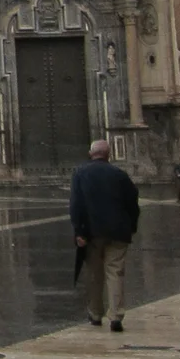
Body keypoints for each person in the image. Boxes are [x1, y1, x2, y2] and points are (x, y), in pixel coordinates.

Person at [71, 139, 141, 332]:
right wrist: (131, 226)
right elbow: (133, 202)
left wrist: (79, 231)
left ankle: (95, 313)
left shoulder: (80, 174)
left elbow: (76, 205)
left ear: (90, 153)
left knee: (94, 274)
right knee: (115, 272)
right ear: (108, 154)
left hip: (92, 233)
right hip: (118, 231)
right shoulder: (120, 174)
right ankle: (116, 315)